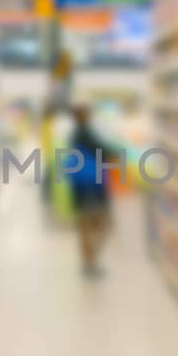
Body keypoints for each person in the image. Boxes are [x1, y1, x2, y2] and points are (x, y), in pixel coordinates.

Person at [66, 104, 117, 277]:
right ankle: (91, 260)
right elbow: (105, 151)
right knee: (104, 223)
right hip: (92, 184)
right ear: (86, 115)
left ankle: (88, 262)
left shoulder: (74, 134)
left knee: (84, 223)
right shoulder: (86, 133)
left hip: (79, 184)